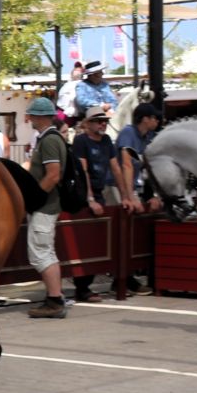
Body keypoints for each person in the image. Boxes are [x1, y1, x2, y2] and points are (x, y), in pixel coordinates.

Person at [69, 106, 120, 304]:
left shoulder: (107, 141)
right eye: (98, 121)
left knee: (98, 241)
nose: (103, 124)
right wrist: (89, 199)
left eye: (104, 121)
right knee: (86, 241)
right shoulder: (81, 141)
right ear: (88, 124)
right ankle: (82, 287)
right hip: (83, 195)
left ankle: (85, 286)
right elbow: (84, 171)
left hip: (99, 192)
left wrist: (127, 195)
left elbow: (115, 168)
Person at [25, 97, 69, 319]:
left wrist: (36, 197)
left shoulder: (49, 141)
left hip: (45, 206)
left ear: (40, 116)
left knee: (41, 254)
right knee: (46, 252)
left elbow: (53, 174)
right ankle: (55, 297)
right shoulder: (51, 138)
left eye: (32, 115)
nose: (29, 118)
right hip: (48, 206)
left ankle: (54, 300)